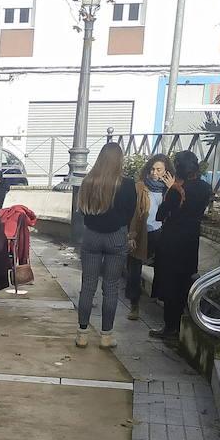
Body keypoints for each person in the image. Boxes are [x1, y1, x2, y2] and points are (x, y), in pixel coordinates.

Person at [75, 142, 137, 350]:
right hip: (116, 237)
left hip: (91, 236)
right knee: (110, 287)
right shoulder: (127, 184)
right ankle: (106, 336)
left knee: (88, 285)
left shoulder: (89, 181)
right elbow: (130, 213)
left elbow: (82, 211)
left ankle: (82, 334)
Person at [150, 151, 211, 341]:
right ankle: (180, 322)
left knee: (170, 282)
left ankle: (170, 326)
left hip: (172, 239)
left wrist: (171, 189)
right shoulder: (205, 187)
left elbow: (161, 214)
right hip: (191, 239)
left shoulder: (178, 190)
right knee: (185, 279)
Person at [128, 154, 170, 321]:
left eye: (159, 169)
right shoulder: (140, 187)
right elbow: (133, 212)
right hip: (141, 232)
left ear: (166, 171)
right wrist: (131, 234)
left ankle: (159, 298)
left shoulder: (169, 189)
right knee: (134, 269)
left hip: (160, 233)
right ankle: (134, 304)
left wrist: (172, 188)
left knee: (162, 267)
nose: (154, 172)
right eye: (152, 169)